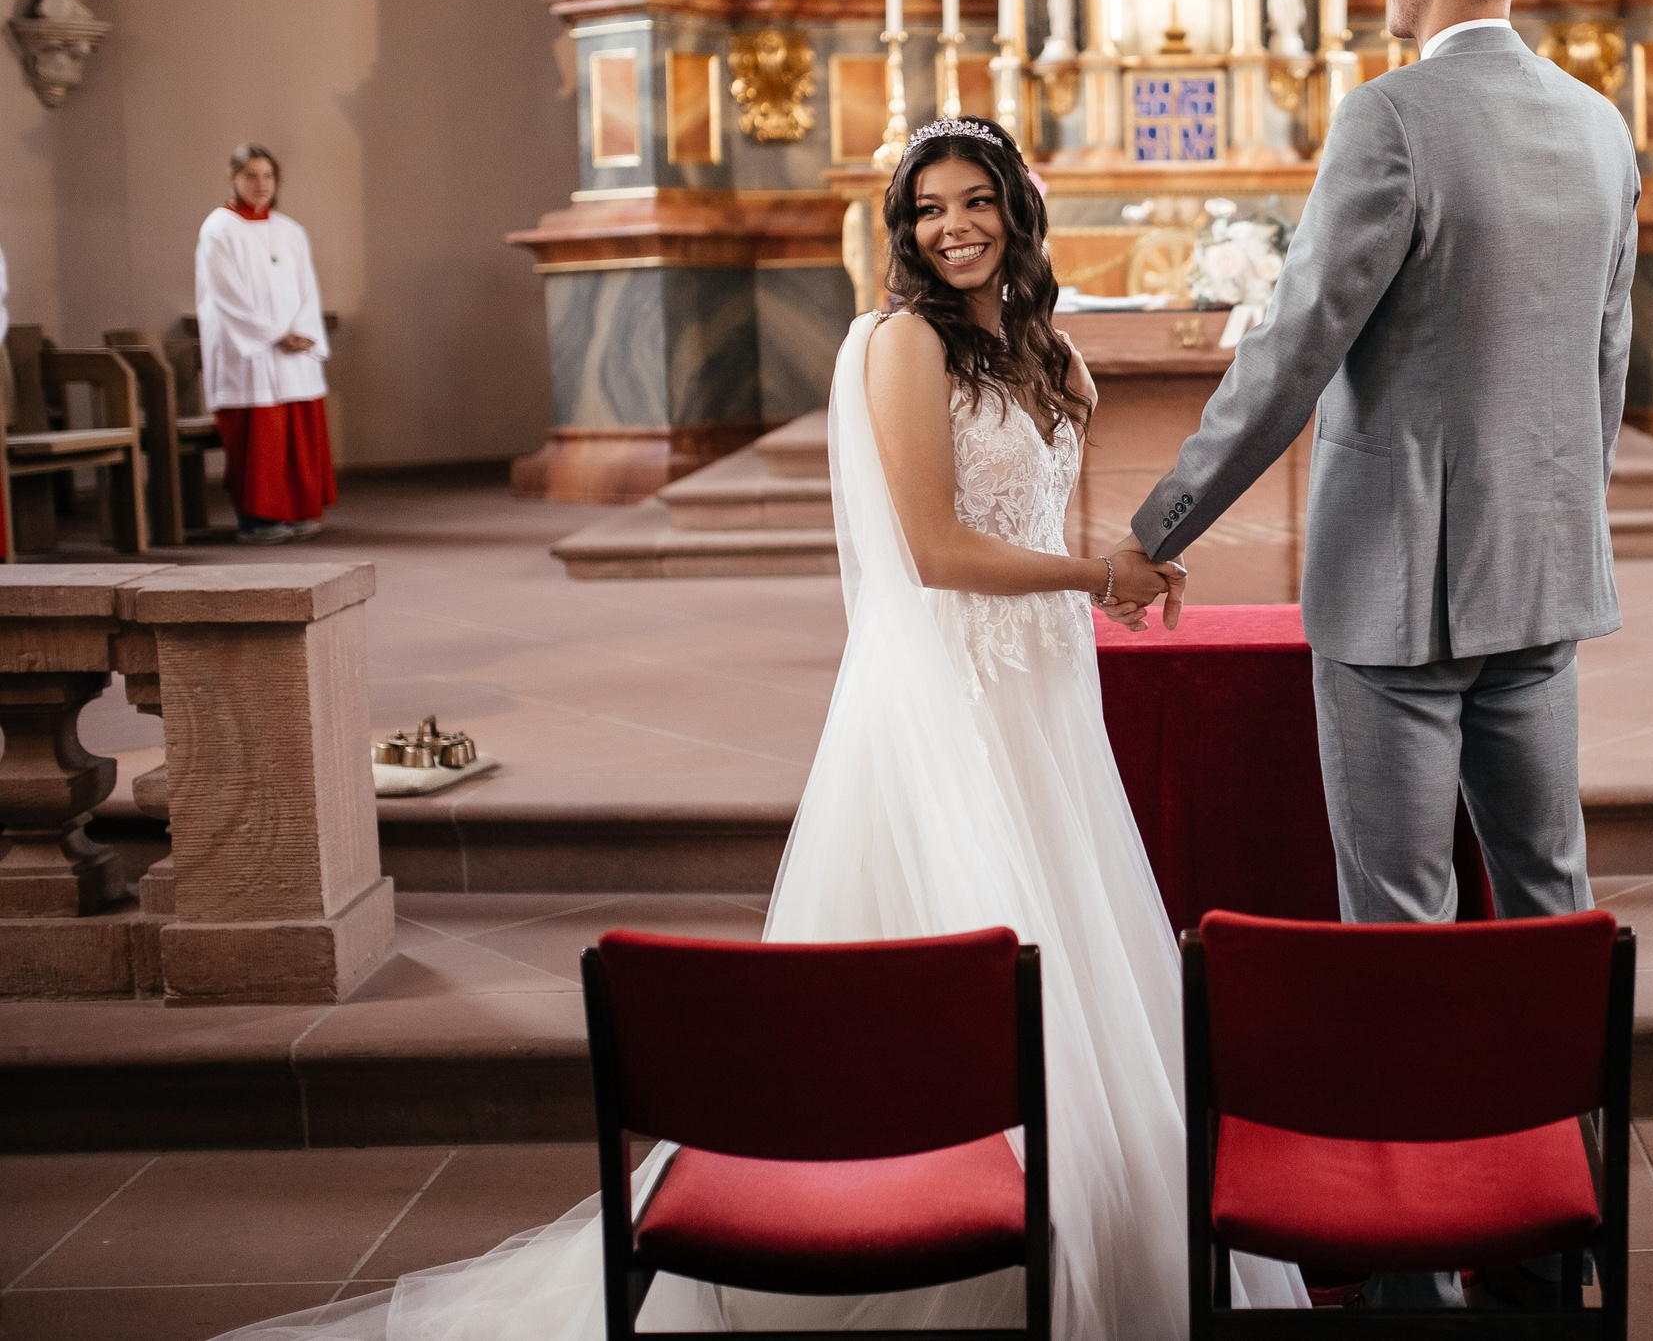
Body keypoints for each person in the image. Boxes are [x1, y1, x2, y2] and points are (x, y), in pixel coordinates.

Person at [213, 117, 1298, 1341]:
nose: (954, 226)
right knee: (963, 946)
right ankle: (938, 1243)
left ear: (1015, 209)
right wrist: (1097, 578)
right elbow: (936, 553)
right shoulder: (897, 346)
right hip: (947, 698)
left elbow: (1048, 509)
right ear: (904, 225)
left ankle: (1094, 1236)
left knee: (1079, 944)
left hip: (1043, 694)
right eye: (931, 207)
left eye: (977, 201)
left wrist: (1120, 570)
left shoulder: (1050, 351)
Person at [1116, 0, 1635, 1309]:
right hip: (1541, 572)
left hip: (1398, 587)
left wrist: (1161, 523)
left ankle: (1408, 1257)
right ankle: (1549, 1240)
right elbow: (1605, 360)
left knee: (1397, 920)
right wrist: (1556, 515)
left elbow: (1295, 348)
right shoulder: (1600, 127)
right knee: (1547, 903)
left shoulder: (1393, 116)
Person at [196, 143, 335, 545]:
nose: (261, 185)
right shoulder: (219, 229)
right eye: (251, 176)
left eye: (268, 176)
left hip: (294, 350)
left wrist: (304, 330)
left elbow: (308, 288)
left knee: (296, 432)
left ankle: (300, 510)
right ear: (233, 178)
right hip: (251, 351)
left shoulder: (290, 230)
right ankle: (259, 519)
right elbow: (226, 294)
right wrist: (275, 334)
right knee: (262, 439)